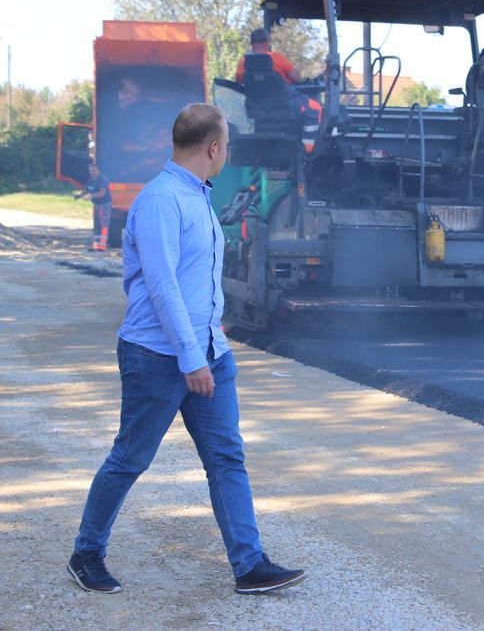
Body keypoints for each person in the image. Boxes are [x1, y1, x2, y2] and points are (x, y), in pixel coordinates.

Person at [67, 103, 306, 596]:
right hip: (158, 356)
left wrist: (210, 341)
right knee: (131, 457)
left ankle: (249, 564)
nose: (228, 154)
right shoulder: (161, 201)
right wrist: (191, 356)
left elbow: (198, 281)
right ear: (214, 148)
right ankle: (86, 553)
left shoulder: (197, 196)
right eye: (227, 146)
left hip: (209, 349)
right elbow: (162, 287)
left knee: (226, 458)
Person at [235, 27, 303, 84]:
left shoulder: (244, 61)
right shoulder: (277, 57)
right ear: (267, 41)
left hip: (254, 99)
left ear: (251, 42)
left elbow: (239, 82)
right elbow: (297, 79)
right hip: (281, 99)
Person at [76, 163, 111, 251]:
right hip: (96, 204)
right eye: (90, 171)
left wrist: (91, 195)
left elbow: (102, 193)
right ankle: (96, 245)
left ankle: (102, 246)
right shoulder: (91, 179)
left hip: (104, 204)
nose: (92, 172)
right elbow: (86, 189)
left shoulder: (103, 180)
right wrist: (80, 195)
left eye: (94, 170)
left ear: (98, 170)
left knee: (103, 223)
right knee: (96, 224)